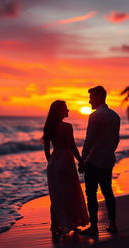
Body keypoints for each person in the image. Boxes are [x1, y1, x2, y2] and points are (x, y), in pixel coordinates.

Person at [79, 86, 120, 236]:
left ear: (98, 97)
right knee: (108, 192)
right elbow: (116, 140)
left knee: (91, 194)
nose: (89, 101)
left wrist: (83, 159)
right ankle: (113, 224)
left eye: (91, 97)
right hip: (108, 160)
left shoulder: (95, 116)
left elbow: (88, 140)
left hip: (94, 160)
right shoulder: (115, 116)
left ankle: (94, 227)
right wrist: (109, 151)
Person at [43, 100, 89, 236]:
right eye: (66, 108)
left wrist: (51, 163)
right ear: (59, 111)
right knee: (70, 192)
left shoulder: (48, 127)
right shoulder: (67, 127)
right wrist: (81, 160)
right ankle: (72, 223)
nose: (68, 110)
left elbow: (46, 150)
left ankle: (54, 225)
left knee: (56, 195)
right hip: (66, 161)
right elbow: (73, 147)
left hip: (54, 161)